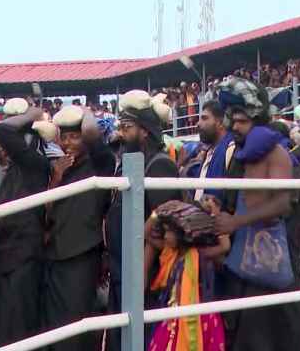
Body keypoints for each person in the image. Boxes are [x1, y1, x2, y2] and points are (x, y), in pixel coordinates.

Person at [211, 77, 300, 351]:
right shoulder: (239, 156)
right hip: (240, 266)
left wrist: (236, 221)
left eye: (241, 121)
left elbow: (282, 204)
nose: (234, 126)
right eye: (232, 120)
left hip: (269, 266)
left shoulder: (277, 154)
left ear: (256, 119)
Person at [105, 90, 182, 351]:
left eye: (127, 128)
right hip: (122, 269)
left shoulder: (160, 165)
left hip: (143, 276)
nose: (121, 134)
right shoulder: (130, 162)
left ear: (145, 131)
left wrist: (139, 274)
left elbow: (159, 230)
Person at [43, 106, 115, 350]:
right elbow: (48, 212)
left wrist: (81, 111)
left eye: (74, 136)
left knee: (76, 326)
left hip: (83, 254)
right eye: (64, 137)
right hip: (56, 254)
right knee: (55, 327)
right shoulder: (60, 168)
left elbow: (93, 132)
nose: (68, 143)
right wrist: (56, 180)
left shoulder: (100, 163)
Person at [0, 99, 49, 347]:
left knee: (16, 330)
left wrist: (31, 114)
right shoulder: (13, 171)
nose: (2, 148)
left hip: (23, 260)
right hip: (5, 257)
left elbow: (2, 130)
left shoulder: (35, 165)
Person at [145, 201, 229, 351]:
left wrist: (215, 213)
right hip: (172, 318)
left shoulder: (200, 254)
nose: (164, 236)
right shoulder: (171, 253)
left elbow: (225, 246)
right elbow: (146, 233)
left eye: (169, 232)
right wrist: (157, 212)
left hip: (198, 318)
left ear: (183, 233)